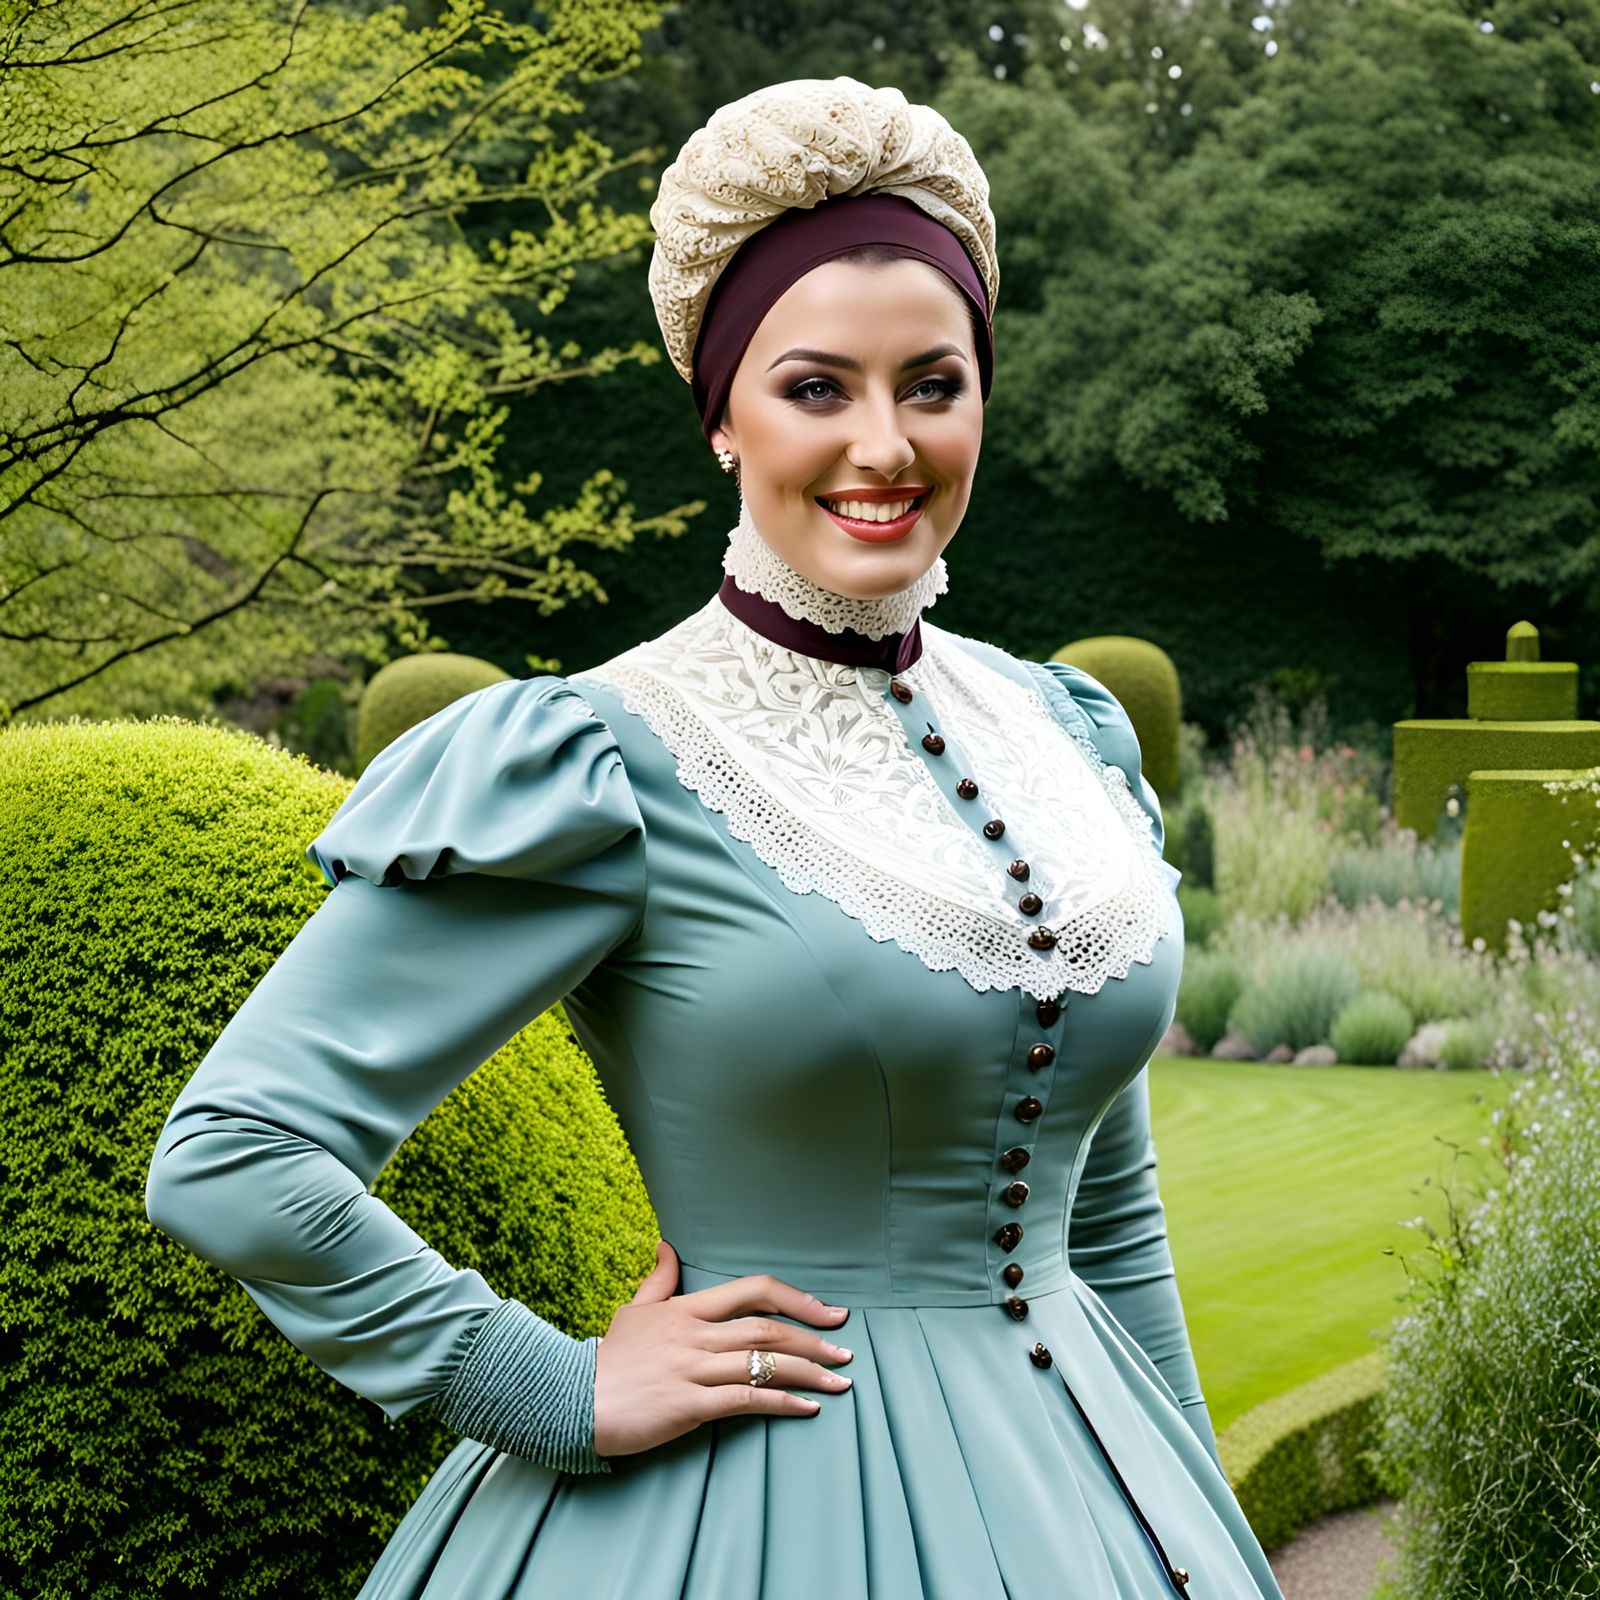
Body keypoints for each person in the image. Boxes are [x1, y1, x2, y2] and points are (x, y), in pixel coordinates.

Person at [146, 76, 1284, 1598]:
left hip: (1094, 1494)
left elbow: (1111, 1212)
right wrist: (538, 1385)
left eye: (932, 384)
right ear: (723, 414)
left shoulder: (1067, 735)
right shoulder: (604, 759)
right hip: (750, 1520)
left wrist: (1191, 1510)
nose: (884, 446)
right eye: (817, 386)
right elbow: (236, 1150)